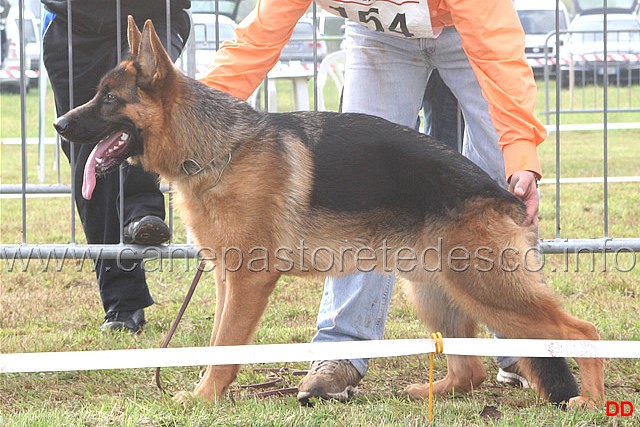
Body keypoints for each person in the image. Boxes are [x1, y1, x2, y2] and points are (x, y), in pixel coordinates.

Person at [200, 0, 543, 402]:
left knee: (501, 185)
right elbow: (257, 37)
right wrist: (195, 117)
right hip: (379, 38)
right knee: (356, 183)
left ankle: (528, 347)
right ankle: (342, 351)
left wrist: (520, 152)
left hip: (468, 32)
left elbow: (496, 46)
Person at [41, 0, 191, 333]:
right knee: (89, 149)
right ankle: (123, 303)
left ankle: (142, 213)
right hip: (71, 24)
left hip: (154, 15)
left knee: (138, 121)